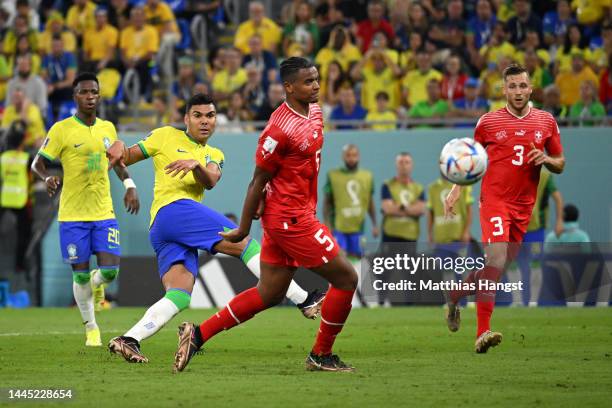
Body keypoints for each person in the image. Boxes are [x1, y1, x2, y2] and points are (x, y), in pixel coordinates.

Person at [169, 57, 358, 373]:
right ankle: (321, 354)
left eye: (316, 80)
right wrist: (243, 228)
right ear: (288, 87)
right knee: (347, 278)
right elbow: (258, 179)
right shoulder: (277, 130)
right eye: (308, 82)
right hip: (291, 219)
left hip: (291, 214)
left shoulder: (314, 110)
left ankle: (197, 335)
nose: (315, 86)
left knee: (269, 292)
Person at [105, 93, 322, 363]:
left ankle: (129, 339)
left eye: (210, 115)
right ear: (186, 119)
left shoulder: (214, 154)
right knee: (244, 243)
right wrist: (117, 145)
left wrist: (196, 165)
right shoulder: (164, 136)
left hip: (165, 230)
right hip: (173, 211)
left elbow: (210, 180)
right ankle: (303, 298)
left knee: (180, 294)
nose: (204, 121)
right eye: (198, 115)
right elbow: (124, 156)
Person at [444, 64, 565, 353]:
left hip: (524, 208)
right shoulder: (488, 123)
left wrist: (546, 159)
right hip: (495, 201)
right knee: (496, 262)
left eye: (523, 86)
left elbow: (560, 162)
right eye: (512, 86)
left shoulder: (546, 122)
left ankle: (454, 294)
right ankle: (482, 333)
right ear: (504, 90)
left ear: (530, 88)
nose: (518, 91)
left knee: (494, 269)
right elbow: (468, 161)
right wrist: (455, 189)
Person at [30, 72, 141, 347]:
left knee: (110, 272)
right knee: (79, 275)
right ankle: (92, 329)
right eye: (84, 92)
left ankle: (97, 280)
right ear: (75, 97)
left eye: (94, 92)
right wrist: (47, 178)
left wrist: (130, 184)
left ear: (99, 95)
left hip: (103, 212)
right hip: (73, 215)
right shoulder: (61, 130)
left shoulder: (108, 128)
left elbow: (117, 161)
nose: (90, 97)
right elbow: (37, 164)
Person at [323, 144, 378, 259]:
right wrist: (327, 223)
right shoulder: (333, 175)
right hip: (339, 228)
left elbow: (370, 202)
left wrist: (374, 224)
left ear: (359, 157)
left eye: (354, 155)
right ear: (343, 157)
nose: (351, 158)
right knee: (340, 259)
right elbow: (327, 202)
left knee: (358, 259)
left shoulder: (367, 176)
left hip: (358, 228)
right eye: (348, 155)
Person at [0, 120, 33, 274]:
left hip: (5, 199)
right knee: (24, 233)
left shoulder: (3, 157)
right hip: (21, 201)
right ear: (22, 141)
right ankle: (19, 265)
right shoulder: (26, 158)